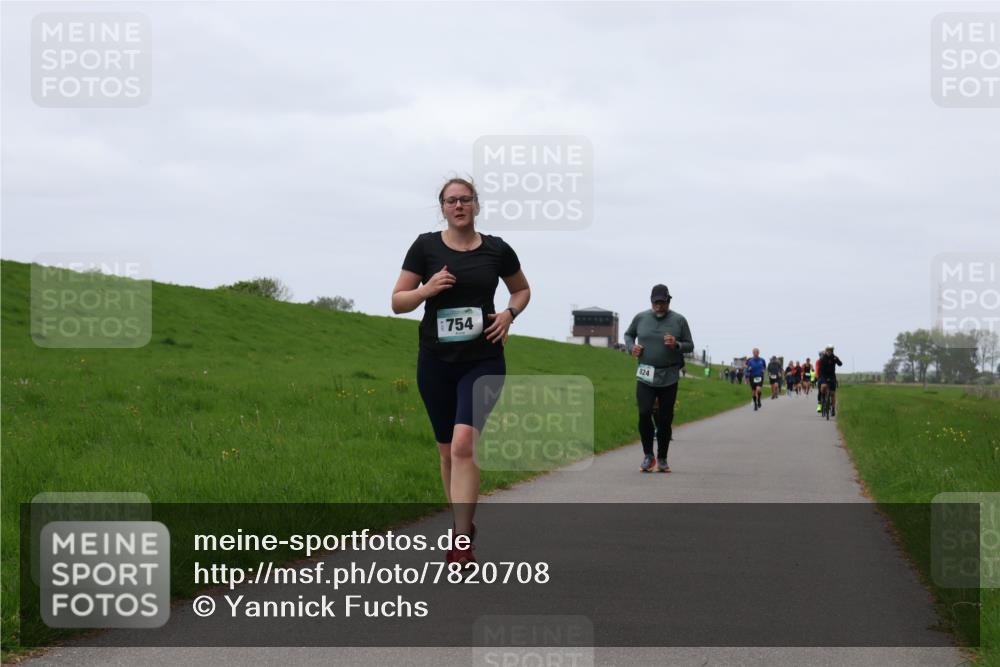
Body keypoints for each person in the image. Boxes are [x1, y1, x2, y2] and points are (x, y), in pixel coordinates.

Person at [391, 177, 530, 566]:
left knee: (463, 444)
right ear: (442, 208)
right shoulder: (425, 247)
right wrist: (426, 289)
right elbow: (398, 302)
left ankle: (460, 542)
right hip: (435, 362)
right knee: (447, 452)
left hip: (483, 360)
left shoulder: (497, 250)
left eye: (465, 199)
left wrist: (508, 314)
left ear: (476, 205)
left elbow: (521, 290)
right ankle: (463, 524)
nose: (458, 206)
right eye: (451, 201)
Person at [624, 284, 694, 473]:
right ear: (651, 301)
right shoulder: (641, 318)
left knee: (665, 418)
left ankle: (662, 458)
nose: (659, 306)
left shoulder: (679, 320)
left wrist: (677, 344)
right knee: (644, 413)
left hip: (669, 375)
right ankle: (648, 456)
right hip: (646, 373)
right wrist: (632, 348)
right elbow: (628, 335)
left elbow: (690, 345)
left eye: (662, 302)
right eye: (656, 302)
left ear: (668, 301)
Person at [816, 345, 844, 416]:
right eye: (828, 350)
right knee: (823, 387)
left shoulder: (834, 357)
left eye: (831, 350)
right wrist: (820, 377)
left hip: (832, 376)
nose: (829, 351)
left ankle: (833, 408)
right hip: (823, 375)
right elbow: (820, 370)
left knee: (833, 393)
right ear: (826, 350)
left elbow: (840, 364)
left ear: (832, 351)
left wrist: (836, 359)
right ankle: (822, 399)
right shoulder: (823, 358)